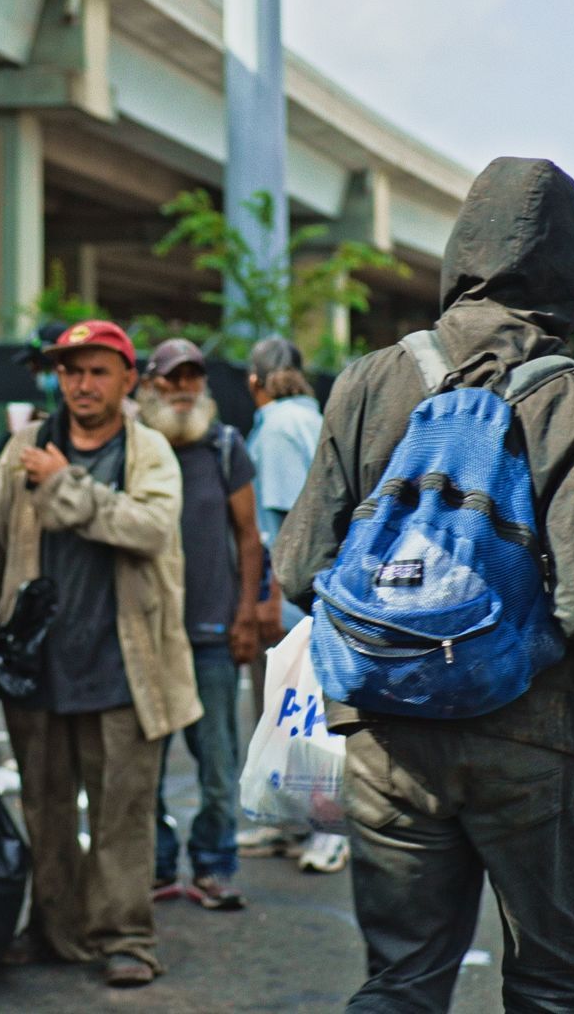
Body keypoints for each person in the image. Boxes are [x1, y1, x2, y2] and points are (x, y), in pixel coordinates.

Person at [273, 157, 574, 1012]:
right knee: (551, 985)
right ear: (572, 270)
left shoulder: (371, 381)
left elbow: (300, 568)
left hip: (386, 737)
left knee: (401, 982)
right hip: (530, 741)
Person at [0, 319, 199, 988]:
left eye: (96, 371)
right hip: (38, 667)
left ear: (127, 380)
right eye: (70, 371)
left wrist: (66, 487)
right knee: (46, 808)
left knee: (123, 814)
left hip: (125, 667)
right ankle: (54, 928)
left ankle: (127, 938)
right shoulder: (24, 448)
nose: (81, 384)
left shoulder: (148, 451)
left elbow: (148, 528)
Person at [136, 337, 260, 911]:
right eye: (171, 377)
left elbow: (248, 537)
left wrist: (245, 614)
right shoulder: (134, 446)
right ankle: (159, 865)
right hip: (151, 634)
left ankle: (213, 866)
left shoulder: (224, 445)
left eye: (192, 376)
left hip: (211, 633)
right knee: (148, 765)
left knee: (217, 762)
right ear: (151, 383)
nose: (183, 387)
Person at [238, 335, 346, 873]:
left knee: (298, 709)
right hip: (325, 585)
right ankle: (293, 821)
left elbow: (285, 522)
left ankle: (324, 827)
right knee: (298, 709)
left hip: (294, 589)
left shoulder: (279, 426)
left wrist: (268, 599)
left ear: (254, 382)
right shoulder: (314, 415)